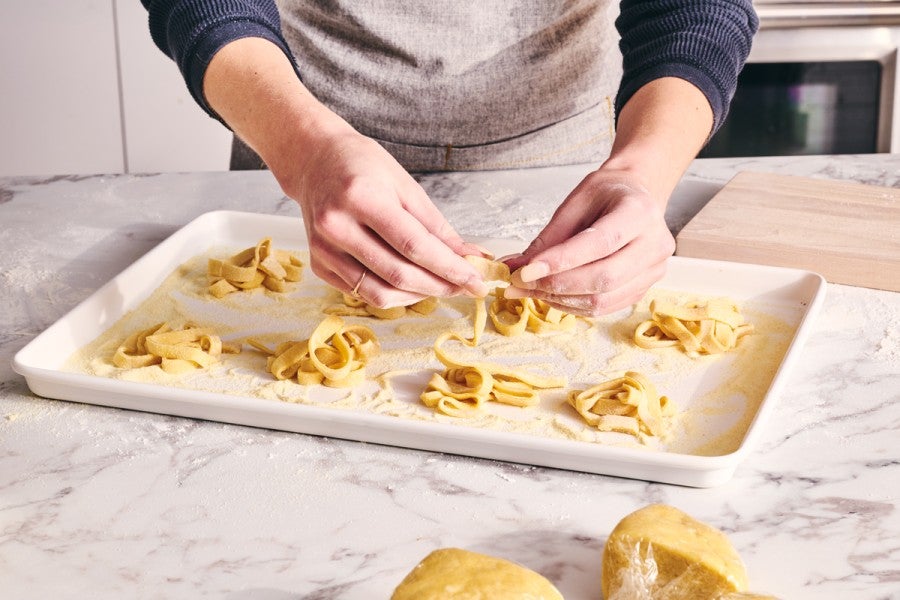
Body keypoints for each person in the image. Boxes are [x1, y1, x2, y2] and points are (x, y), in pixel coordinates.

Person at [141, 1, 758, 316]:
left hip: (563, 159)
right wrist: (303, 152)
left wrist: (642, 173)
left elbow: (695, 7)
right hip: (295, 129)